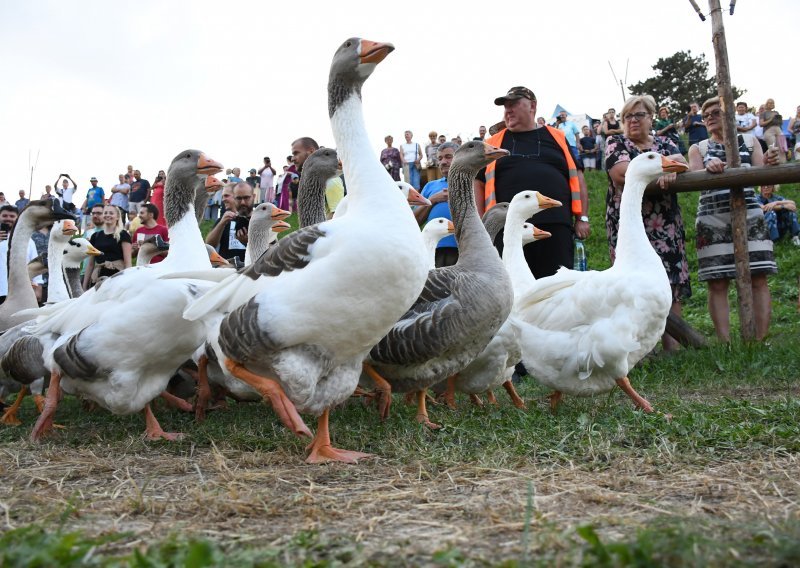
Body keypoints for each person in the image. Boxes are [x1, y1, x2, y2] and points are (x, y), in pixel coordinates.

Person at [688, 96, 781, 342]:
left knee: (758, 276)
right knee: (717, 281)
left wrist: (771, 165)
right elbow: (693, 175)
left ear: (730, 115)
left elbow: (765, 182)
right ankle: (725, 343)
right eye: (705, 115)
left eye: (715, 113)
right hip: (712, 218)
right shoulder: (699, 148)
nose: (708, 117)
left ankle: (759, 341)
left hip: (751, 214)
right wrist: (708, 170)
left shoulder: (752, 142)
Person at [475, 86, 590, 280]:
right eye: (505, 107)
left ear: (532, 106)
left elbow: (577, 177)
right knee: (513, 289)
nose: (508, 110)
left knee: (557, 289)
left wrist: (582, 218)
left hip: (555, 227)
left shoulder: (557, 138)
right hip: (508, 230)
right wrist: (482, 225)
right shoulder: (493, 143)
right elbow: (478, 184)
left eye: (513, 104)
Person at [605, 94, 690, 352]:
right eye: (627, 116)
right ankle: (641, 350)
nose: (632, 121)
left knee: (670, 280)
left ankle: (672, 349)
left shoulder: (666, 141)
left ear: (651, 117)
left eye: (638, 115)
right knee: (633, 286)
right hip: (630, 224)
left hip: (666, 224)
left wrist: (668, 168)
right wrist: (663, 172)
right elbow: (621, 173)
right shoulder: (616, 143)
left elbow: (683, 163)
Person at [414, 142, 459, 267]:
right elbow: (415, 221)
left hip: (463, 250)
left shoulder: (471, 184)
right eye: (440, 158)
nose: (443, 162)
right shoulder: (430, 186)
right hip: (432, 251)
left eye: (448, 157)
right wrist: (432, 200)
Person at [0, 205, 43, 304]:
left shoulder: (28, 239)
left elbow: (36, 263)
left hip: (21, 293)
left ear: (17, 218)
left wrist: (38, 287)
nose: (8, 219)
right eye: (5, 215)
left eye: (12, 216)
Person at [83, 204, 132, 289]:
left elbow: (128, 263)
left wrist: (127, 282)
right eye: (105, 213)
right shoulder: (95, 236)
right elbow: (90, 264)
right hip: (98, 276)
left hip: (117, 276)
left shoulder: (123, 235)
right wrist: (84, 286)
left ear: (117, 217)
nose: (108, 215)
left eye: (111, 213)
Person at [205, 182, 254, 263]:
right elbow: (209, 245)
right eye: (222, 196)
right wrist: (221, 223)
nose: (223, 199)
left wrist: (249, 242)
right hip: (227, 268)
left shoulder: (258, 219)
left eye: (226, 196)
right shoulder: (223, 220)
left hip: (250, 267)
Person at [759, 98, 786, 163]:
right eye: (770, 103)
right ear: (766, 104)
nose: (771, 104)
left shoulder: (776, 112)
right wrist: (771, 118)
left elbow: (780, 124)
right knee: (772, 147)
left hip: (778, 129)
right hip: (768, 131)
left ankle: (783, 163)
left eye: (772, 103)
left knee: (782, 147)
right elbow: (761, 124)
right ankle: (774, 163)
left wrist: (780, 120)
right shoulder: (763, 113)